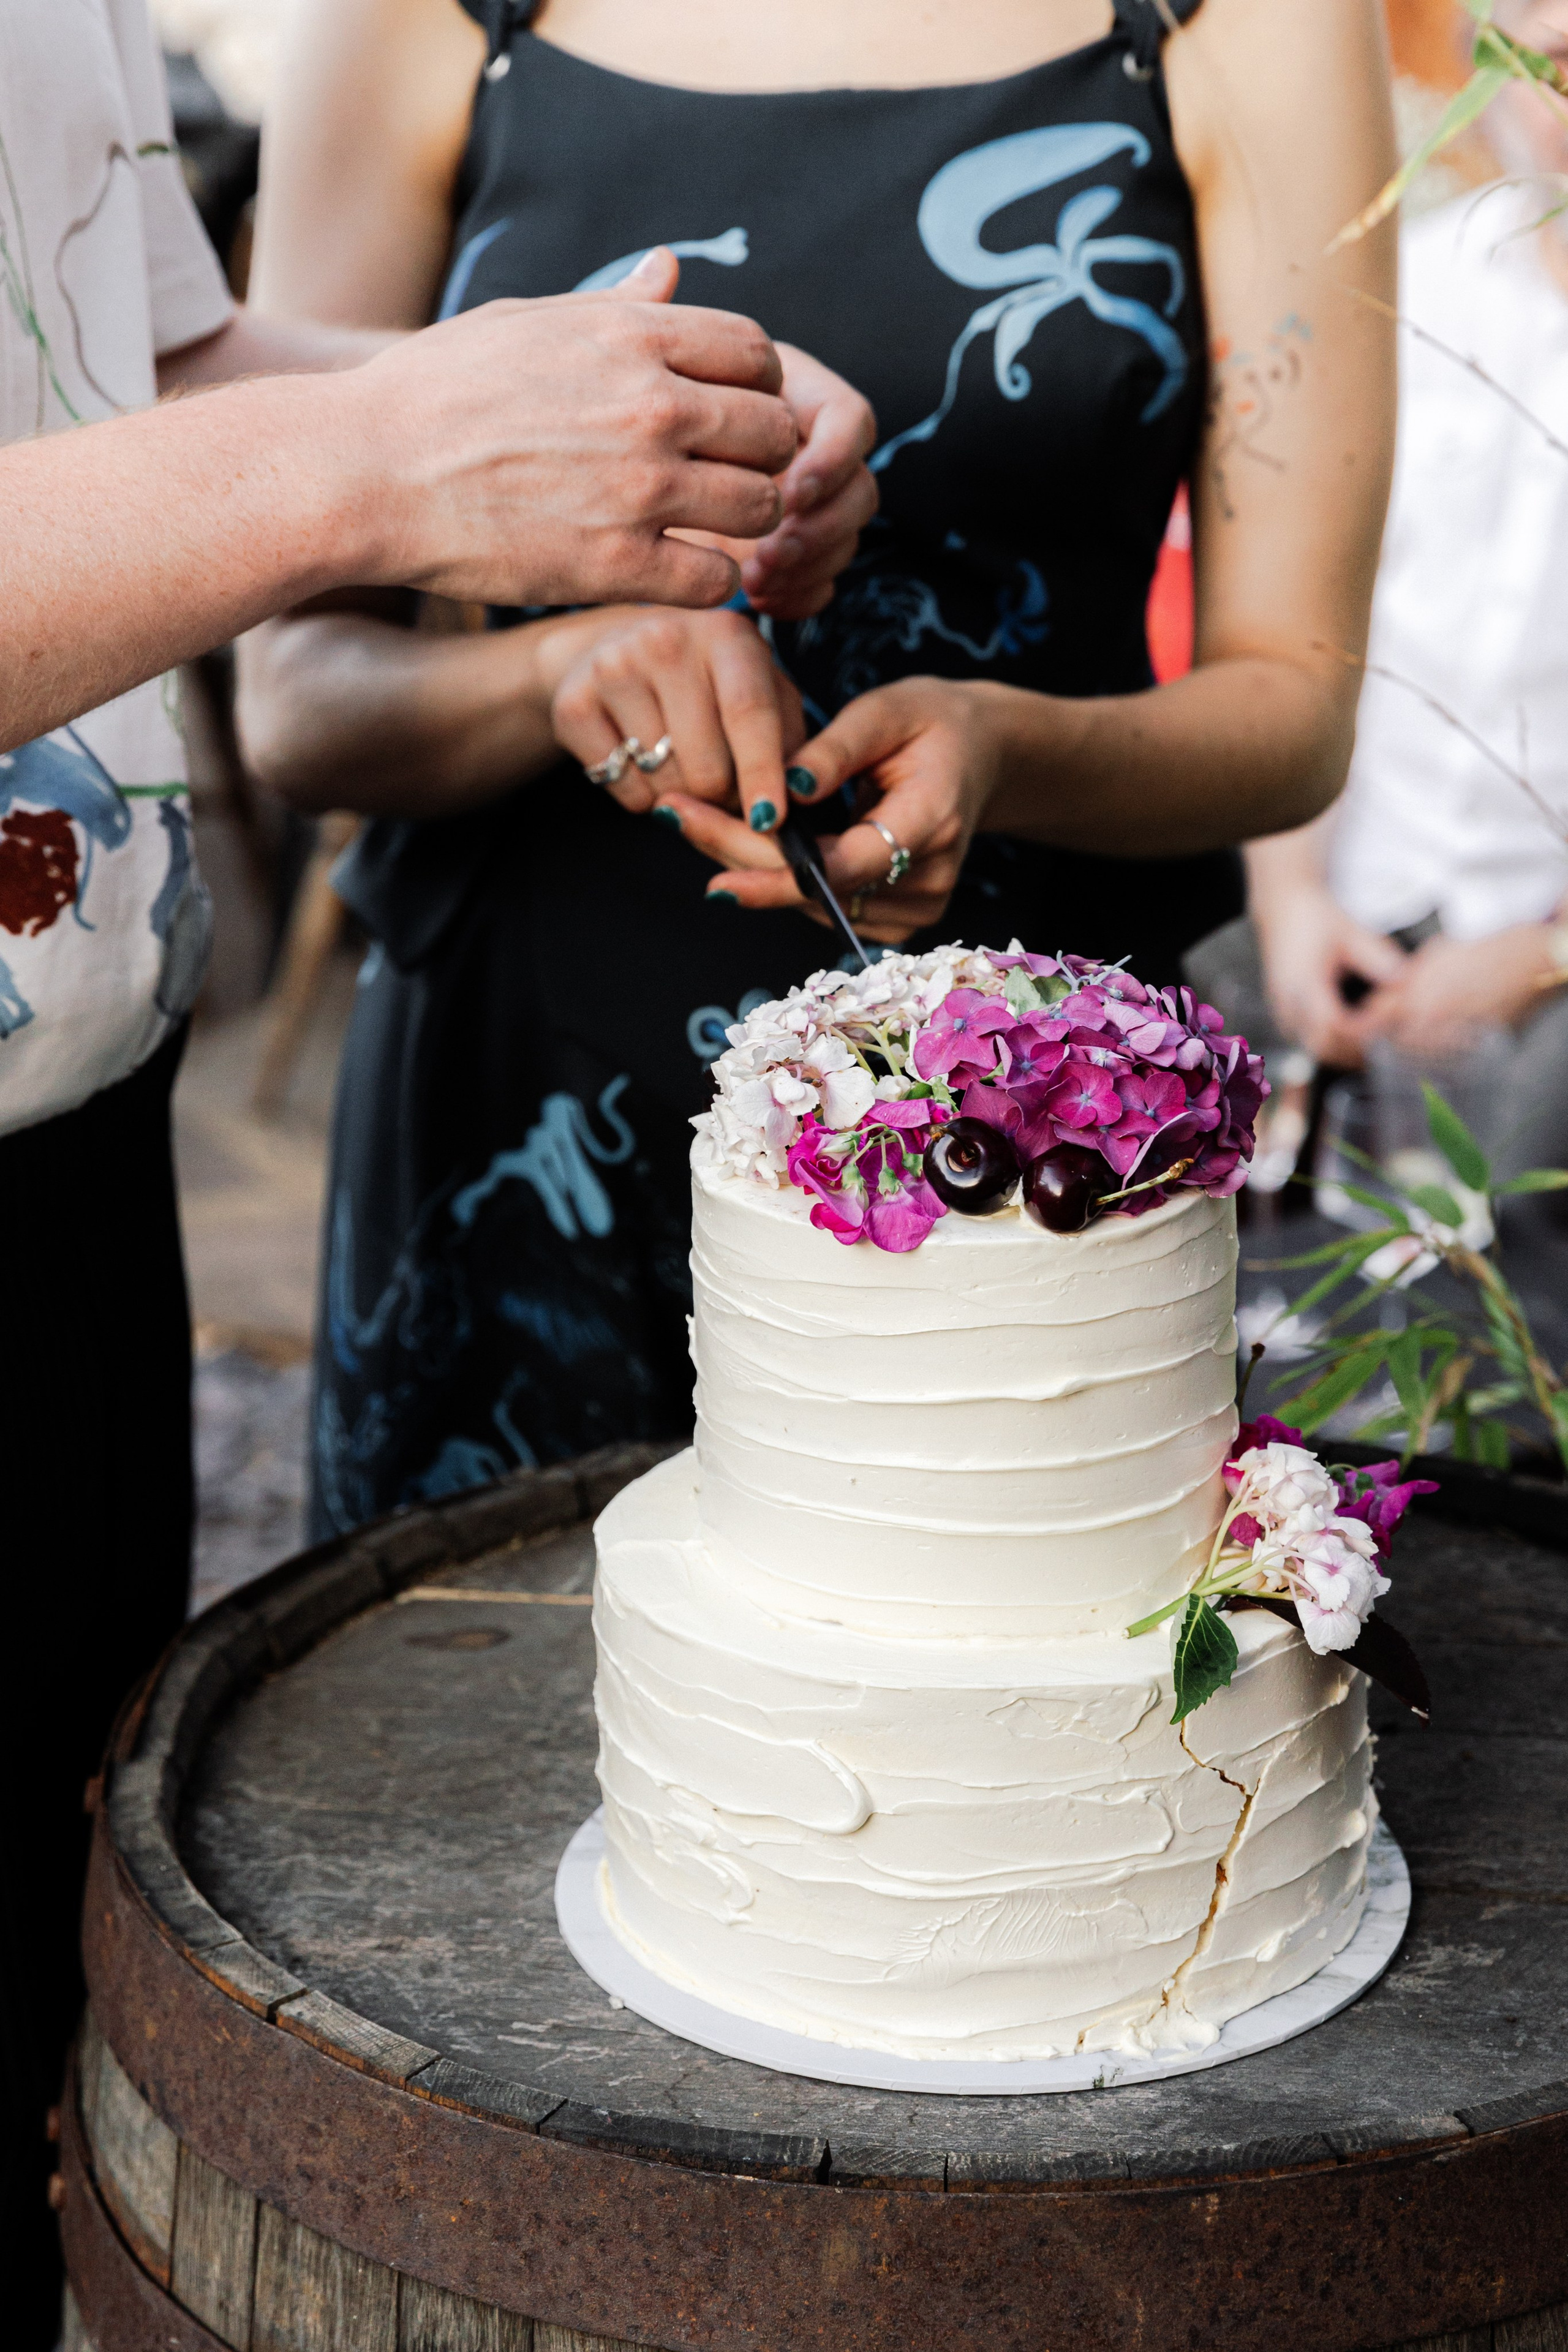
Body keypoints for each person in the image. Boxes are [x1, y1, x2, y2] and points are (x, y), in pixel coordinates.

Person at [0, 4, 827, 2335]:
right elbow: (287, 475)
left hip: (71, 1151)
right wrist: (371, 468)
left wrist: (636, 437)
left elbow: (121, 377)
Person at [234, 0, 1397, 1536]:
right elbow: (297, 705)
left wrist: (1007, 749)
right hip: (521, 1121)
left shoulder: (1248, 22)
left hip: (1013, 1143)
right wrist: (550, 669)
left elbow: (1292, 706)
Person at [1248, 0, 1568, 1146]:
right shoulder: (1408, 289)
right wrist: (1290, 899)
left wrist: (1543, 957)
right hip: (1355, 893)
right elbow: (1310, 612)